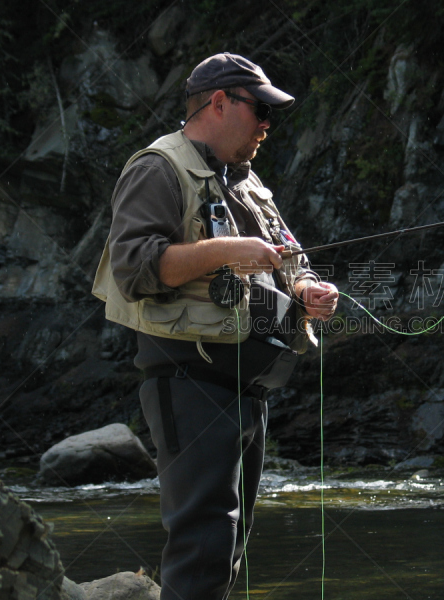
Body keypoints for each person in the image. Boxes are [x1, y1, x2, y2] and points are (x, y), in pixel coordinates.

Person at [92, 52, 338, 600]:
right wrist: (226, 250)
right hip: (189, 383)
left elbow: (292, 263)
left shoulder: (248, 184)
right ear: (219, 103)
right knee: (202, 545)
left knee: (226, 549)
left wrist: (308, 292)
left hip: (248, 388)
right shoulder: (157, 168)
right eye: (260, 111)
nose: (267, 125)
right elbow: (134, 268)